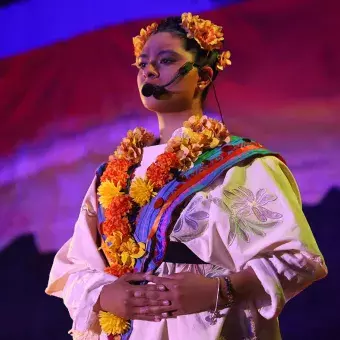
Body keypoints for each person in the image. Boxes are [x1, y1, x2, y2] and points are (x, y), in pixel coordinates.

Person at [46, 13, 327, 340]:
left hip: (209, 325)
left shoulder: (241, 165)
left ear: (204, 76)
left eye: (165, 60)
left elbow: (297, 258)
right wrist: (104, 294)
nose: (149, 71)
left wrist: (220, 289)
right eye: (141, 63)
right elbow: (75, 265)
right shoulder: (112, 175)